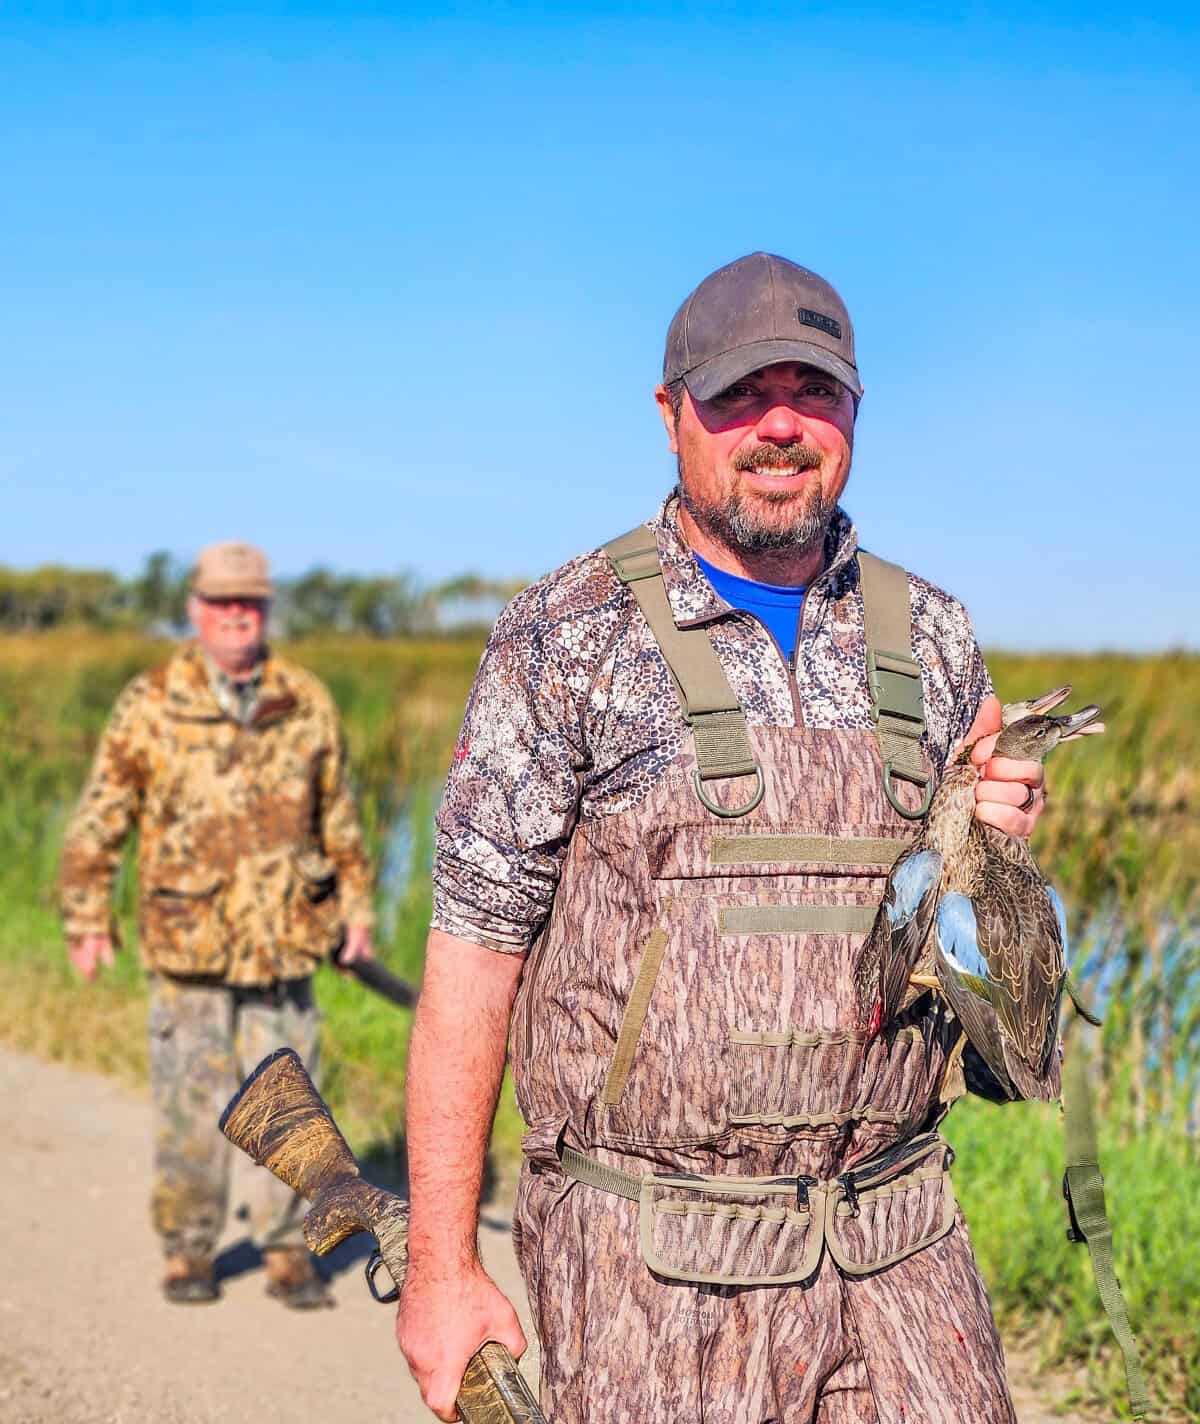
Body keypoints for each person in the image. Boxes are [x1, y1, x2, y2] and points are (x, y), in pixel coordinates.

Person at [398, 253, 1051, 1422]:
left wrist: (998, 865)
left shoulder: (935, 635)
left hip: (901, 1250)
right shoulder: (566, 635)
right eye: (741, 393)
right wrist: (443, 1272)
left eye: (816, 389)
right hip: (651, 1272)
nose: (781, 425)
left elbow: (992, 1018)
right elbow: (472, 956)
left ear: (855, 410)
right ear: (670, 413)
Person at [60, 540, 375, 1307]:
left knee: (291, 1102)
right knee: (188, 1105)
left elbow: (338, 816)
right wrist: (85, 915)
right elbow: (102, 816)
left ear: (266, 611)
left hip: (283, 937)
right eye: (223, 603)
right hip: (187, 939)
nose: (238, 616)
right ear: (196, 610)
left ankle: (290, 1253)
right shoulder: (151, 701)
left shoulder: (306, 700)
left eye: (251, 603)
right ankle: (189, 1249)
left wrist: (357, 908)